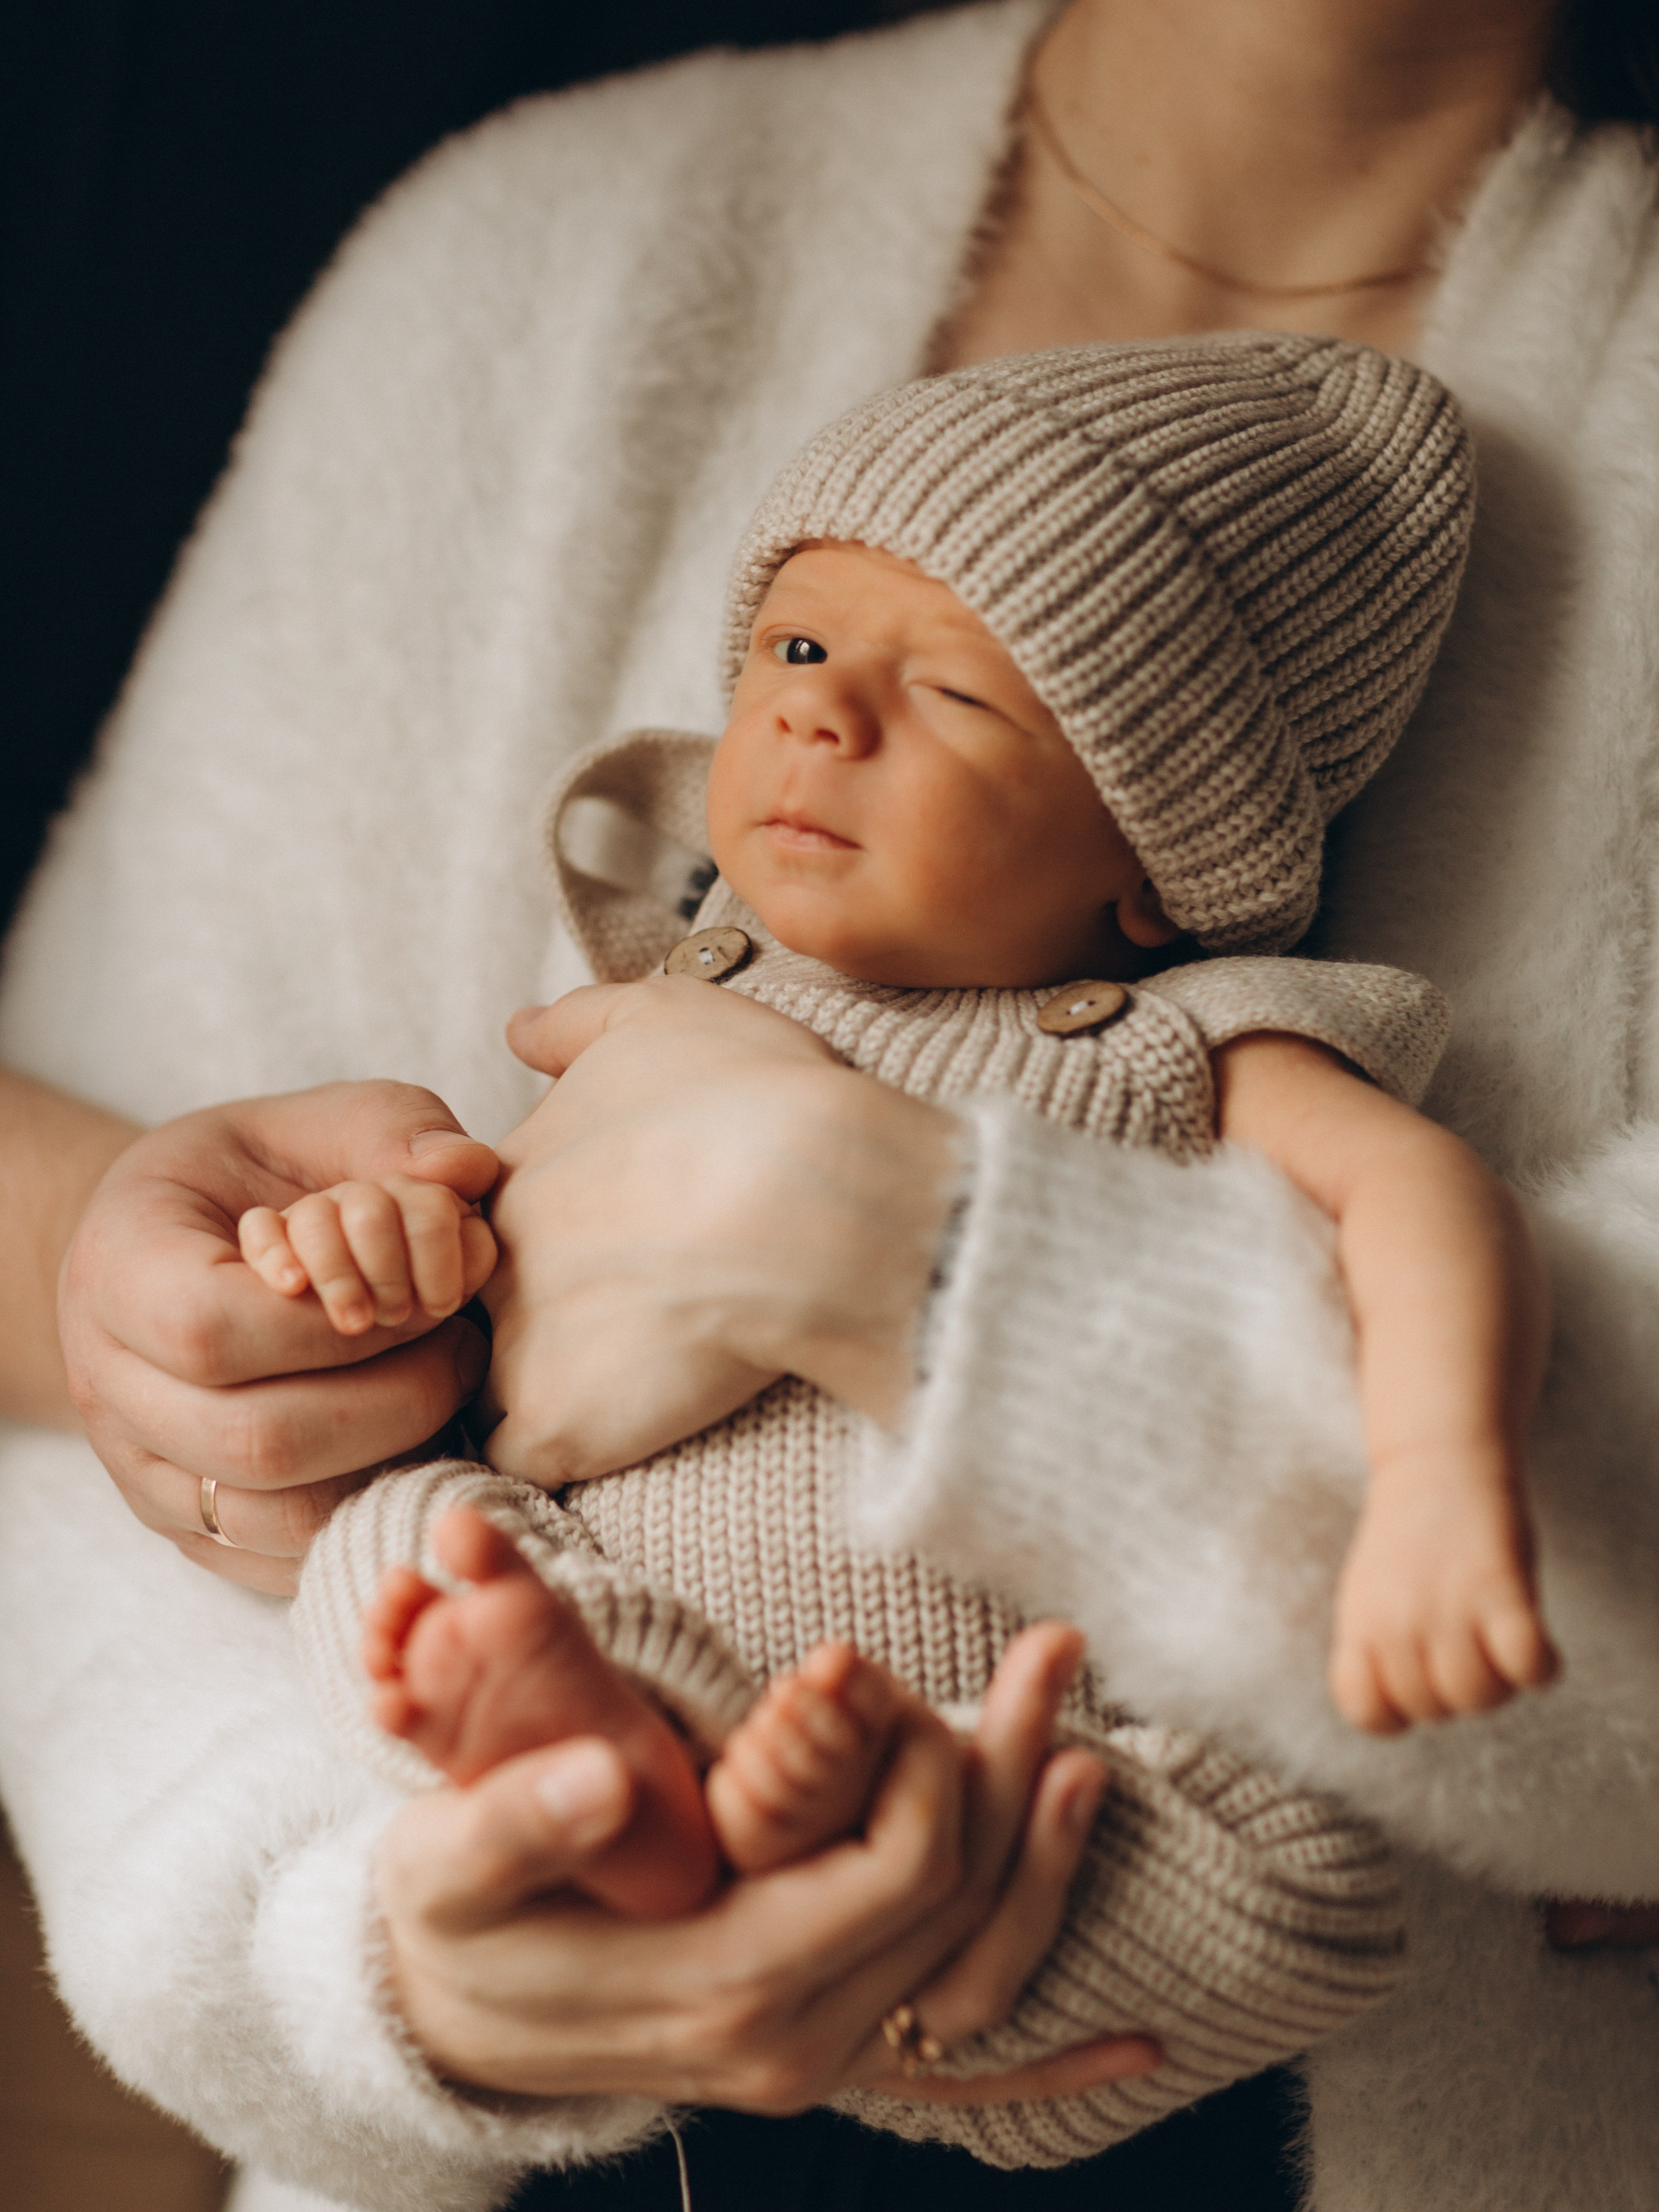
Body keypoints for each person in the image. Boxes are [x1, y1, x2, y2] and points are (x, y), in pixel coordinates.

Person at [4, 1, 1659, 2207]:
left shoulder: (1195, 1044)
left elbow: (1416, 1229)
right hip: (541, 2049)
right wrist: (386, 1960)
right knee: (430, 1567)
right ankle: (609, 1757)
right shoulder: (534, 267)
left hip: (1120, 1877)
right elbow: (111, 1420)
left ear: (1161, 861)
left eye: (956, 693)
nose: (815, 728)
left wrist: (868, 1235)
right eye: (783, 654)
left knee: (1300, 1893)